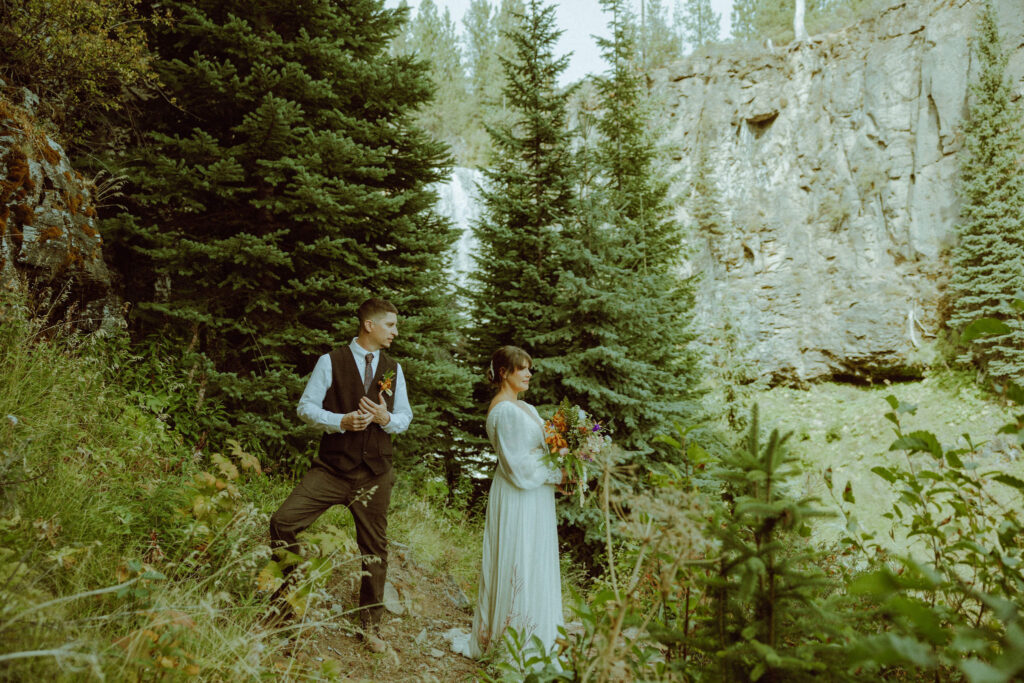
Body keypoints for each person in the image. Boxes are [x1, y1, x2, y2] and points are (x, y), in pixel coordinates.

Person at [267, 297, 412, 652]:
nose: (396, 331)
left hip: (375, 472)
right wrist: (341, 421)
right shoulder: (329, 361)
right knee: (283, 522)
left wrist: (384, 419)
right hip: (332, 469)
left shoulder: (393, 367)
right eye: (391, 325)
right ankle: (289, 604)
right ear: (369, 326)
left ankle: (370, 626)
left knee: (374, 548)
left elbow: (404, 418)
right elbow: (305, 408)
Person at [449, 345, 565, 666]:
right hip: (518, 493)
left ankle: (539, 635)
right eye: (522, 369)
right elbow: (518, 465)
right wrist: (560, 472)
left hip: (536, 495)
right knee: (519, 559)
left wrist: (568, 458)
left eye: (530, 368)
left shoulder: (524, 408)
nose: (528, 374)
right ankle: (511, 642)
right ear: (504, 373)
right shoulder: (503, 410)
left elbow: (540, 450)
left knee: (535, 558)